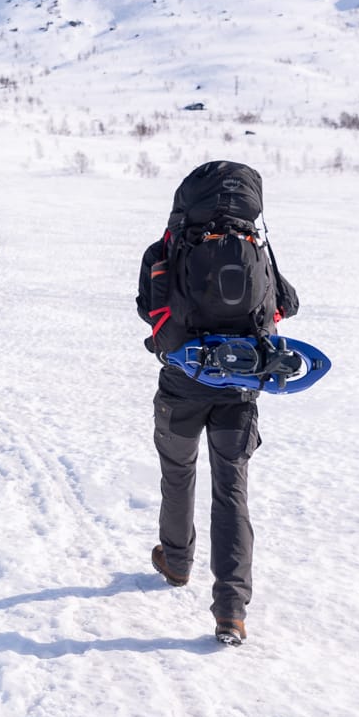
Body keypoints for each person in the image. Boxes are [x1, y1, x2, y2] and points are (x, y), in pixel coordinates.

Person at [136, 161, 299, 645]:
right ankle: (231, 608)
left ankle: (177, 561)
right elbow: (285, 303)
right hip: (241, 387)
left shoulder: (168, 246)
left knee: (178, 473)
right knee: (231, 491)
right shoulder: (256, 247)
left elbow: (148, 308)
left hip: (183, 382)